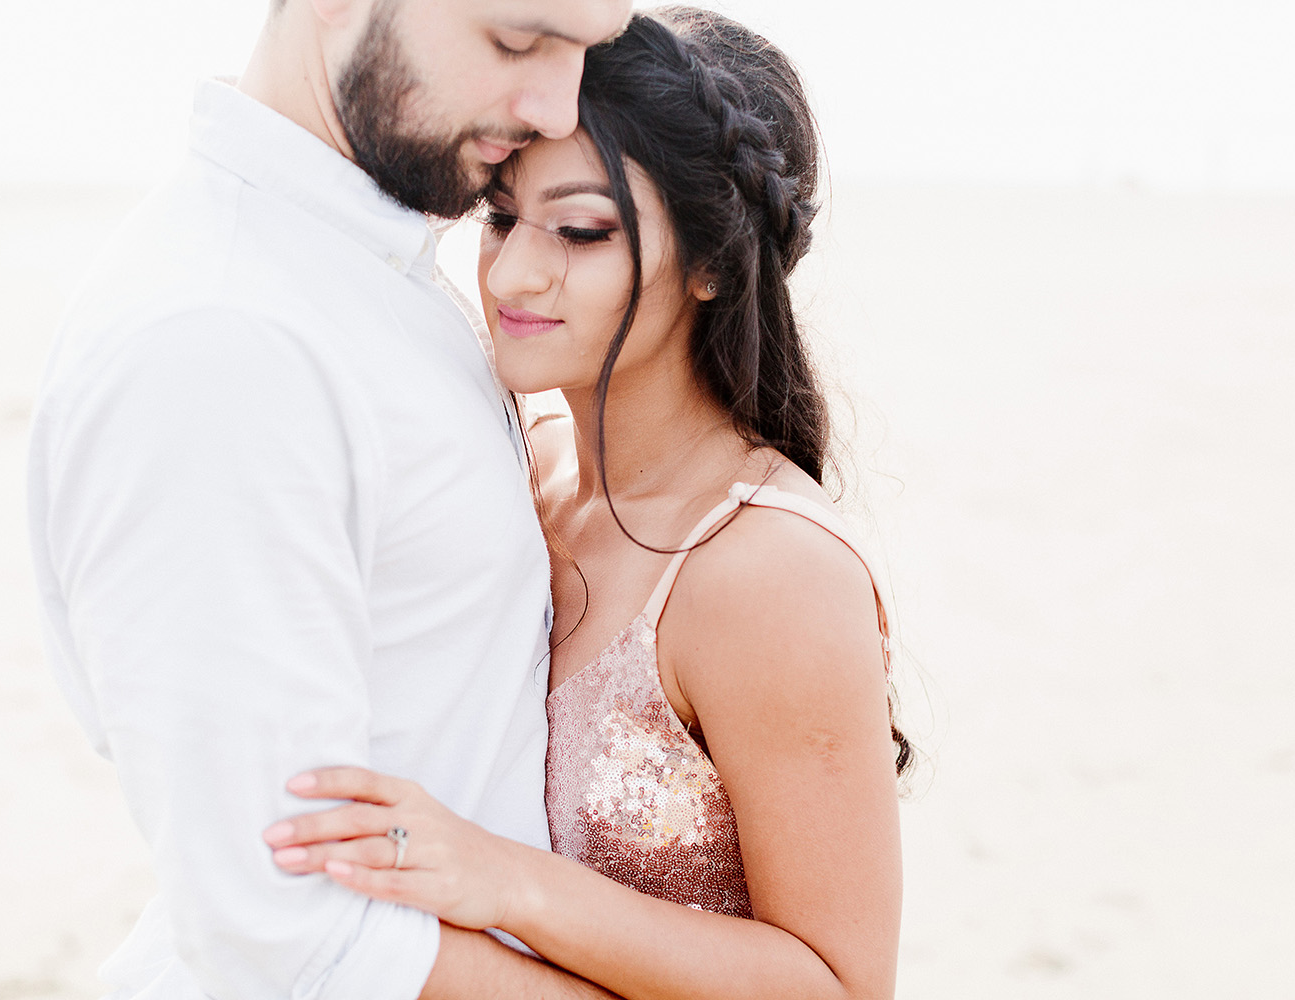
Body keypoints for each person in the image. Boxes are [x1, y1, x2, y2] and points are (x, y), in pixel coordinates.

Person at [260, 8, 908, 999]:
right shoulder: (530, 473)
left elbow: (840, 984)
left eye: (582, 230)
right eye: (501, 215)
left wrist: (503, 878)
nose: (514, 272)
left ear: (710, 265)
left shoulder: (764, 568)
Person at [26, 0, 631, 997]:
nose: (558, 107)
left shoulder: (353, 271)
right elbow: (282, 931)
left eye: (585, 52)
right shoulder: (221, 337)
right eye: (519, 41)